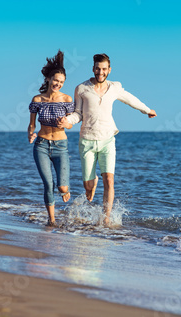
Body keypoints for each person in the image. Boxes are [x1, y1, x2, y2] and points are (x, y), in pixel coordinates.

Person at [58, 53, 156, 226]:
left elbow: (130, 99)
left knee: (109, 180)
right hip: (87, 141)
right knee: (88, 188)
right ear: (93, 68)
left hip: (107, 140)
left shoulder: (115, 87)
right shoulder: (81, 88)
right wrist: (67, 121)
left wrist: (146, 110)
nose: (100, 72)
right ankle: (92, 182)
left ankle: (106, 218)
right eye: (97, 68)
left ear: (109, 70)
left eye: (104, 69)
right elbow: (78, 114)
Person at [28, 50, 74, 227]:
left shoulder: (67, 99)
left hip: (61, 146)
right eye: (56, 80)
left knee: (62, 187)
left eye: (61, 82)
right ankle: (52, 220)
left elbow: (72, 121)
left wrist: (66, 123)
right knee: (48, 184)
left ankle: (65, 188)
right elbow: (31, 123)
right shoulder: (37, 99)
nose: (58, 84)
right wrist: (31, 133)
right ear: (48, 79)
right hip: (41, 144)